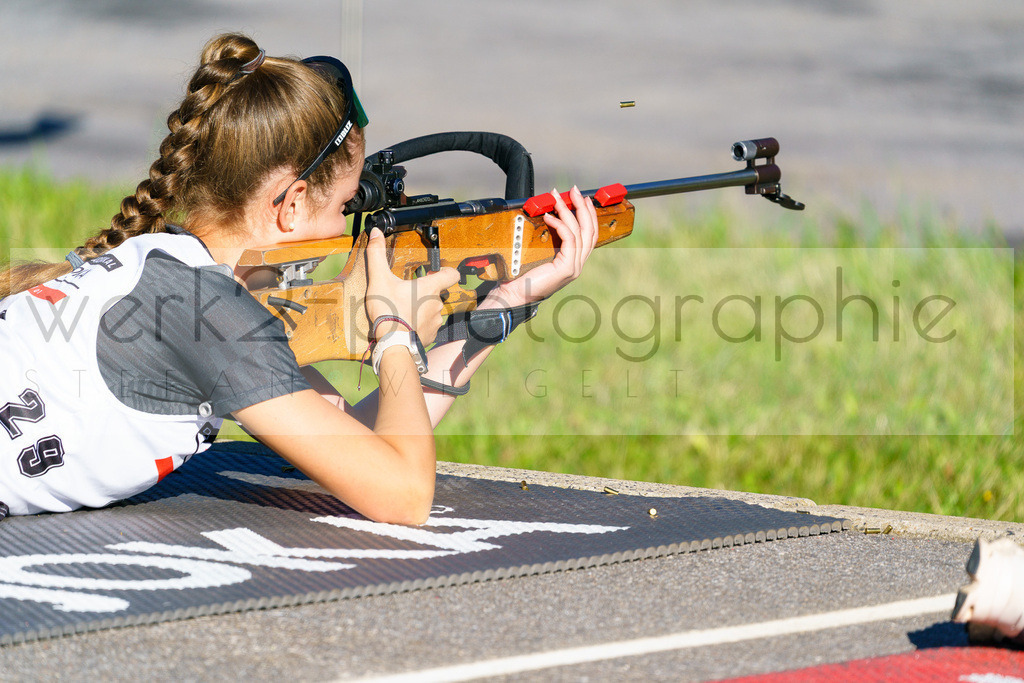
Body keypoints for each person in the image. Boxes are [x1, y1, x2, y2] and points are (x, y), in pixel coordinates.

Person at [0, 33, 598, 525]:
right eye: (343, 206)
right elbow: (403, 494)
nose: (346, 226)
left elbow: (349, 447)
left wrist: (496, 314)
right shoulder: (213, 313)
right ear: (290, 205)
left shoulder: (177, 275)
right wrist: (392, 329)